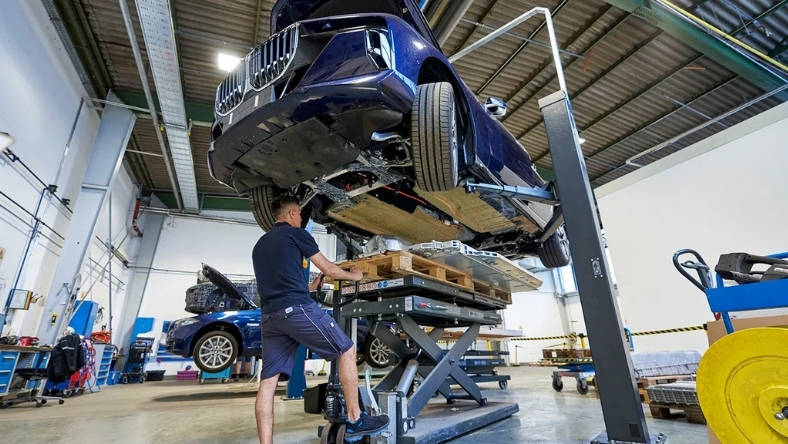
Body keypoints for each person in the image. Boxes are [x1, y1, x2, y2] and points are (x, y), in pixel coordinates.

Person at [251, 195, 390, 444]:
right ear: (292, 213)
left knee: (268, 382)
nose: (302, 219)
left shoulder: (260, 245)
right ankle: (356, 419)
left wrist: (310, 287)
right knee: (346, 349)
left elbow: (278, 283)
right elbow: (329, 269)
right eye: (300, 214)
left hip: (270, 317)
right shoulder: (297, 234)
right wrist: (354, 276)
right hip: (296, 310)